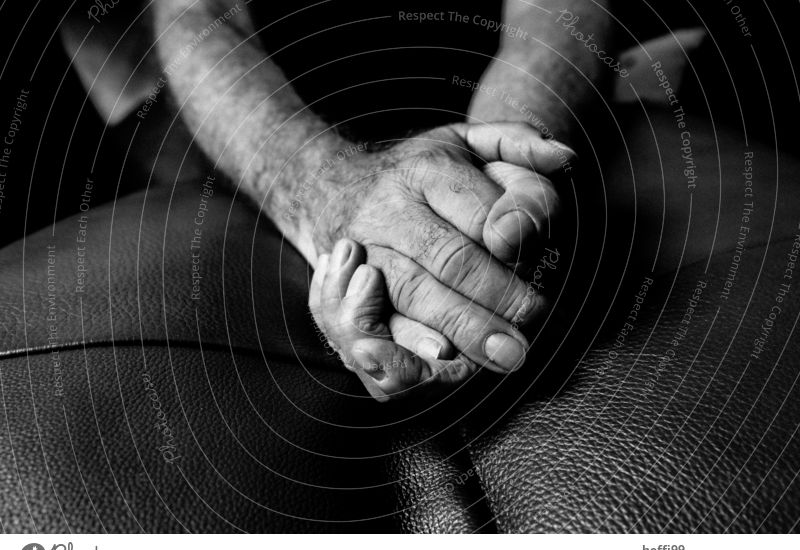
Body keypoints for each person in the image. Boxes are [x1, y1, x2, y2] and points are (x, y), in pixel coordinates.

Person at [151, 0, 613, 400]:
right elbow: (196, 17)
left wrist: (484, 182)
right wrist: (327, 194)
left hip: (479, 103)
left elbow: (556, 11)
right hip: (307, 135)